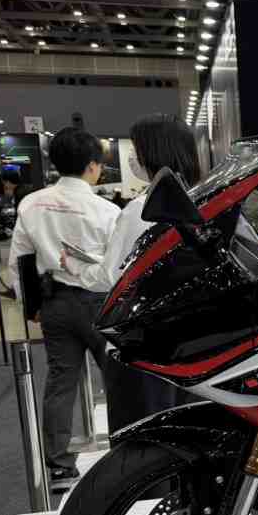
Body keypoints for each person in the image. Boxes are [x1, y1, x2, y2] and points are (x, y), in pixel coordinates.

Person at [58, 114, 200, 434]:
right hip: (193, 342)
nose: (134, 158)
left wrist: (75, 266)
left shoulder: (142, 208)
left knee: (143, 436)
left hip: (144, 341)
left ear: (153, 153)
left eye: (137, 150)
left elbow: (112, 276)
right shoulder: (207, 197)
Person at [8, 127, 118, 485]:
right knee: (118, 380)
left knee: (60, 380)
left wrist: (31, 306)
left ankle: (58, 464)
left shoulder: (31, 204)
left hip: (54, 301)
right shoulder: (106, 209)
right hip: (100, 304)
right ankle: (126, 455)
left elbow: (19, 261)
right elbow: (117, 267)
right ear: (92, 165)